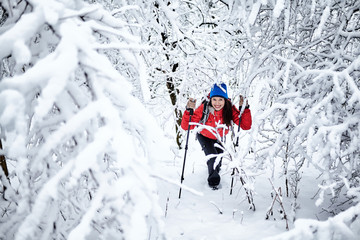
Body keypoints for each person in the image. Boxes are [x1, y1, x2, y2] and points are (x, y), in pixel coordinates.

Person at [181, 83, 252, 187]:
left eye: (220, 100)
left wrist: (244, 109)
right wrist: (188, 111)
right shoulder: (204, 107)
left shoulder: (229, 109)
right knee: (212, 158)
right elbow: (186, 126)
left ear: (225, 100)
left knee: (218, 162)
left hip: (219, 137)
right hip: (204, 135)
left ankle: (214, 172)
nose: (217, 103)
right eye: (214, 99)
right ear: (210, 99)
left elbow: (246, 125)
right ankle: (213, 184)